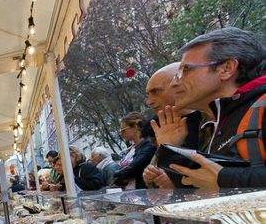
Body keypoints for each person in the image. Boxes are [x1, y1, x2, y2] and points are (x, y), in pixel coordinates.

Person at [154, 27, 266, 189]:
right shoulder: (220, 120)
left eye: (186, 70)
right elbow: (196, 188)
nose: (174, 83)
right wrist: (171, 148)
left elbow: (219, 180)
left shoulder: (262, 107)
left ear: (226, 69)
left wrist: (224, 179)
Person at [143, 63, 211, 189]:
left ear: (178, 84)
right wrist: (151, 175)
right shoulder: (166, 126)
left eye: (155, 91)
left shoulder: (213, 120)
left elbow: (225, 177)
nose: (149, 101)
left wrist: (179, 181)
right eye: (148, 94)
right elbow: (157, 170)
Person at [113, 112, 156, 189]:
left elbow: (133, 169)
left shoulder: (149, 146)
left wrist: (120, 176)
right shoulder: (130, 149)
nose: (121, 134)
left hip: (143, 192)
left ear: (135, 127)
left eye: (123, 130)